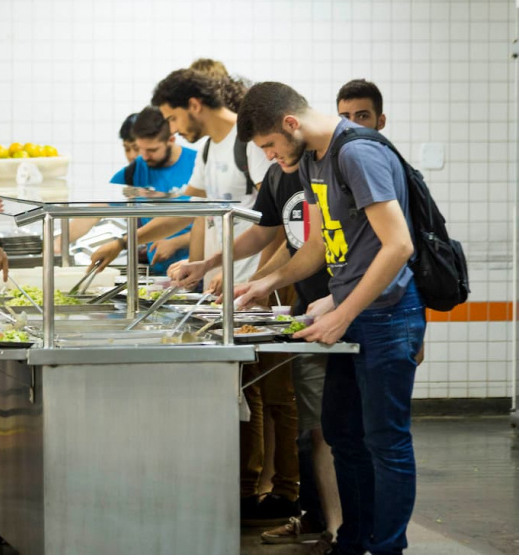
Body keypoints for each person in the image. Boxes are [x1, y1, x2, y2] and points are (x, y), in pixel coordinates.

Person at [235, 82, 424, 555]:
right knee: (342, 434)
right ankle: (353, 542)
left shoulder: (356, 153)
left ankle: (388, 548)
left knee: (386, 441)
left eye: (270, 145)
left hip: (387, 314)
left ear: (290, 124)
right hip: (353, 313)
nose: (271, 156)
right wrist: (267, 281)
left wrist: (344, 311)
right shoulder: (313, 161)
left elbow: (399, 245)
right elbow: (318, 246)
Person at [151, 68, 273, 288]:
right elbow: (193, 213)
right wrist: (195, 270)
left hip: (250, 286)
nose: (173, 129)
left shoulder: (250, 141)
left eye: (173, 118)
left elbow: (277, 220)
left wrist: (260, 280)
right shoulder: (207, 150)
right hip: (220, 285)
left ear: (194, 105)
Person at [71, 106, 195, 275]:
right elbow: (96, 209)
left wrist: (177, 242)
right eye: (140, 149)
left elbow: (211, 223)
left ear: (171, 140)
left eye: (152, 150)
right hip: (161, 274)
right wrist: (58, 243)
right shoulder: (135, 170)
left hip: (197, 269)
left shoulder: (197, 164)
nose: (143, 156)